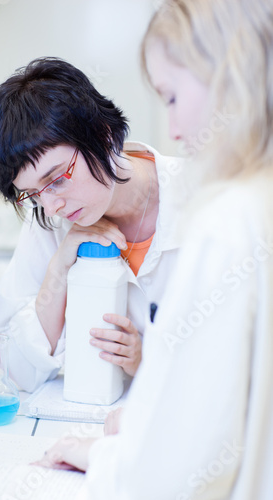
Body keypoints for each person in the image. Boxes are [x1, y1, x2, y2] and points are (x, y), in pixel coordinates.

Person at [34, 1, 273, 498]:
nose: (173, 130)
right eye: (34, 192)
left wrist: (110, 451)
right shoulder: (257, 199)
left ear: (227, 76)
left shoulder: (226, 220)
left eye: (170, 96)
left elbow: (183, 462)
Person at [0, 56, 185, 392]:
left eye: (58, 178)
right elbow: (8, 370)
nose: (50, 208)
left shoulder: (202, 198)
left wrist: (145, 364)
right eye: (32, 195)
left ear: (103, 136)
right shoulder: (50, 223)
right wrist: (60, 268)